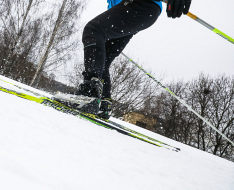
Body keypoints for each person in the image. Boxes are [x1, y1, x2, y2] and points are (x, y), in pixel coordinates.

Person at [54, 0, 192, 119]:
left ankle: (88, 93)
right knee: (104, 59)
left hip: (140, 5)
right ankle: (102, 103)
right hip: (138, 11)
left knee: (93, 30)